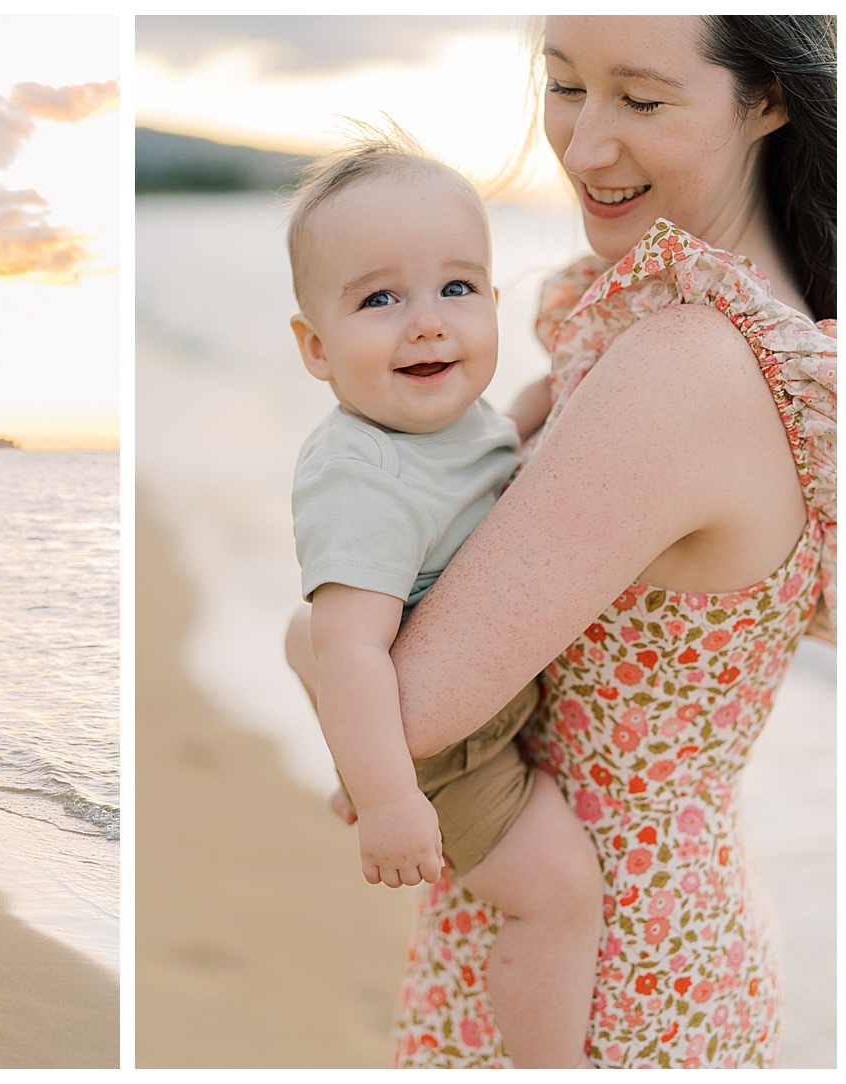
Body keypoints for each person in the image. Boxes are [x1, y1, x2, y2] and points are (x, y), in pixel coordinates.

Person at [285, 13, 834, 1068]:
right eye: (564, 85)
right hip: (637, 917)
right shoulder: (707, 324)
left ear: (766, 98)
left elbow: (416, 710)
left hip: (607, 973)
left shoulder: (684, 360)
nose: (582, 147)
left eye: (639, 97)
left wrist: (304, 641)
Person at [286, 131, 601, 1068]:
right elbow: (351, 649)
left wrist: (566, 391)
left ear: (494, 304)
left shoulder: (453, 421)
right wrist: (389, 801)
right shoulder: (360, 476)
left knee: (306, 638)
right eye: (380, 299)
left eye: (456, 289)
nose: (427, 322)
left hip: (460, 700)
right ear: (314, 346)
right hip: (455, 749)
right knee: (558, 893)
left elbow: (484, 453)